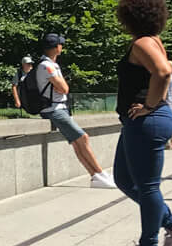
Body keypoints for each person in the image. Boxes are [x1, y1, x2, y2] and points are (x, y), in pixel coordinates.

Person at [111, 0, 172, 246]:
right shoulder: (154, 40)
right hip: (143, 122)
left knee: (147, 186)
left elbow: (164, 72)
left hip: (147, 121)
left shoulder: (143, 43)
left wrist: (149, 105)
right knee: (123, 178)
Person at [32, 35, 117, 189]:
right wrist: (60, 84)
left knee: (77, 143)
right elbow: (64, 88)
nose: (62, 47)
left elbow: (61, 87)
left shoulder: (49, 64)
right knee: (82, 138)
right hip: (54, 110)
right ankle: (98, 174)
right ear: (56, 47)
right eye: (60, 45)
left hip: (58, 108)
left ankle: (97, 176)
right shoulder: (47, 66)